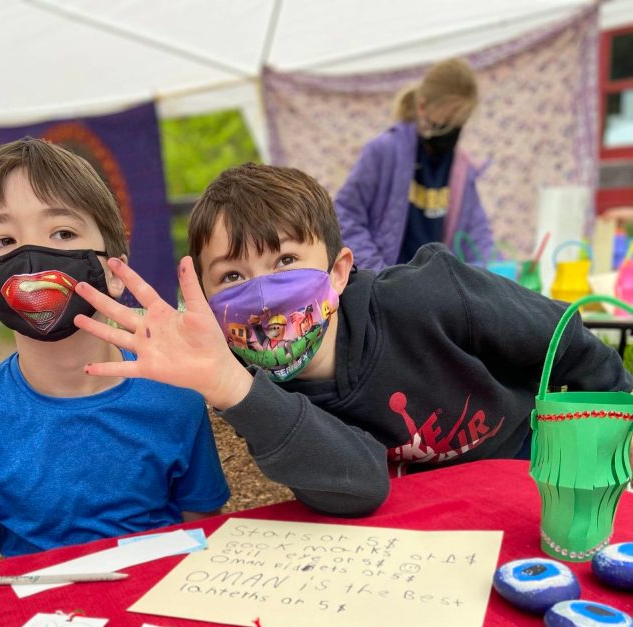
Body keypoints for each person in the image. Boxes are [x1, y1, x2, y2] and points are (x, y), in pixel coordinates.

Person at [70, 162, 632, 518]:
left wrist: (614, 460)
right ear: (210, 304)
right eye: (233, 277)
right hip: (428, 529)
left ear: (338, 272)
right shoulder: (256, 387)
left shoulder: (432, 293)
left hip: (534, 480)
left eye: (286, 260)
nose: (263, 294)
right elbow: (359, 486)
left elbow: (572, 345)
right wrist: (231, 387)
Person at [0, 137, 229, 573]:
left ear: (115, 270)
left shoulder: (175, 396)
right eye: (4, 240)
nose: (30, 261)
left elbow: (202, 538)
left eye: (63, 232)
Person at [334, 58, 493, 273]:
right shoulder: (384, 152)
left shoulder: (461, 170)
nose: (451, 131)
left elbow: (478, 239)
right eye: (445, 122)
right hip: (384, 287)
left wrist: (489, 278)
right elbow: (345, 215)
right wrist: (378, 274)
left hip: (432, 293)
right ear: (422, 107)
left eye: (459, 123)